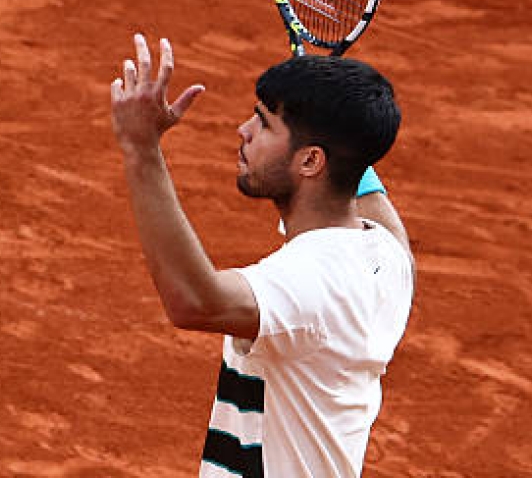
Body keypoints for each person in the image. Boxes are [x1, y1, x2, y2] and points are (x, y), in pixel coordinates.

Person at [110, 33, 414, 478]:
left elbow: (196, 301)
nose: (244, 131)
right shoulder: (385, 255)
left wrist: (142, 149)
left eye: (265, 124)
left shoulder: (311, 282)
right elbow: (356, 174)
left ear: (311, 162)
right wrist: (330, 104)